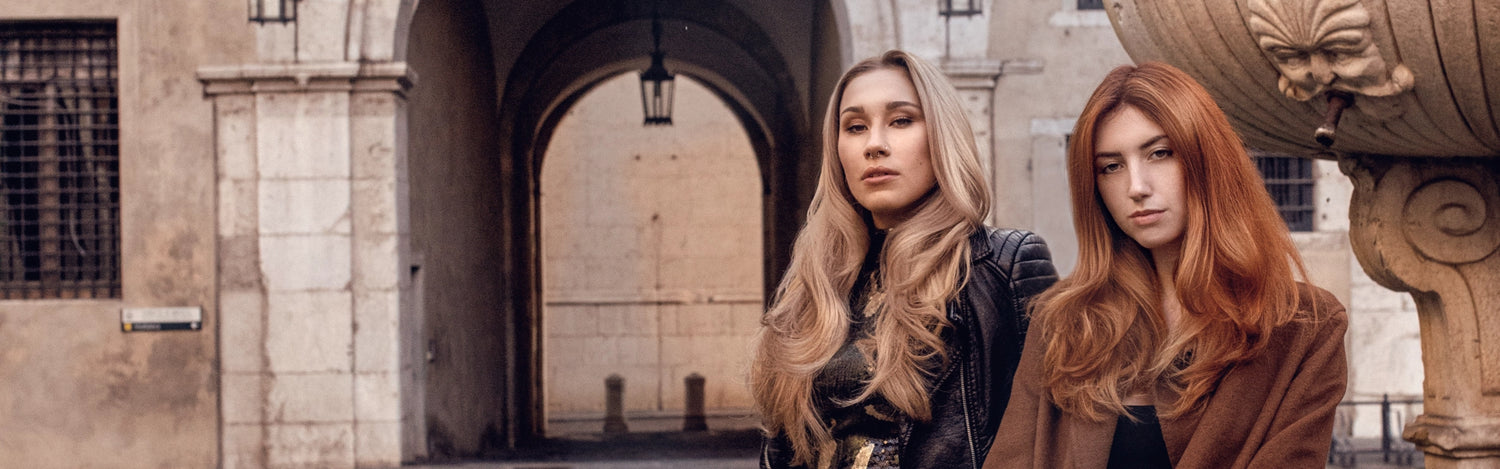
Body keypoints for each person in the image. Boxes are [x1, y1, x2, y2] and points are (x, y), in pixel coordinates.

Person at [983, 62, 1347, 468]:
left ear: (1207, 160)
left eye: (1160, 153)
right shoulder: (1065, 324)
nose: (1136, 187)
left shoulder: (1303, 327)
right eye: (1111, 166)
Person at [750, 50, 1058, 469]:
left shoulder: (1004, 266)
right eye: (855, 127)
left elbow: (1053, 440)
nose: (875, 145)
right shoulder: (812, 285)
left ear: (940, 136)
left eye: (901, 120)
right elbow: (781, 447)